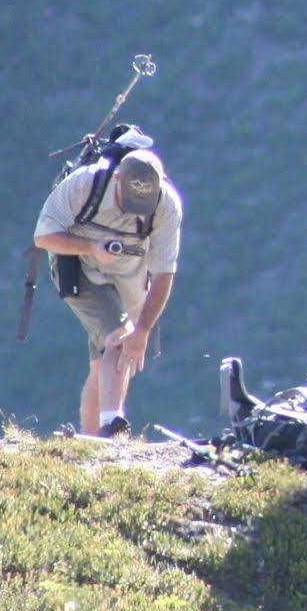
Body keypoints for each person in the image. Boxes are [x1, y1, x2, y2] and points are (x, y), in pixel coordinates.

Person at [33, 146, 183, 437]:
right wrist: (91, 248)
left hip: (129, 277)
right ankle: (113, 425)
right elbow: (43, 236)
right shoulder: (83, 185)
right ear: (116, 178)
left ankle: (91, 442)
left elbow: (165, 273)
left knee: (104, 361)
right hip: (78, 268)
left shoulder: (167, 205)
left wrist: (144, 331)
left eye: (144, 202)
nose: (133, 210)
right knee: (118, 335)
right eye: (128, 200)